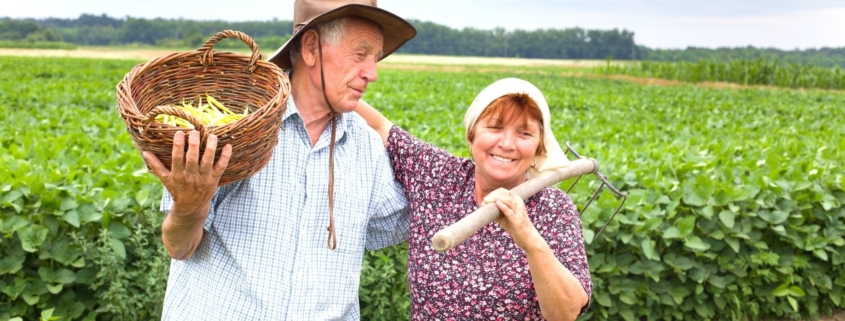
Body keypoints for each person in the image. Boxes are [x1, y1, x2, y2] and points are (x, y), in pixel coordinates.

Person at [141, 0, 417, 319]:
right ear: (311, 48)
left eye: (375, 58)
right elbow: (179, 245)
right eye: (360, 53)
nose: (372, 73)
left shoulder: (366, 146)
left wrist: (465, 185)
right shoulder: (234, 127)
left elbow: (407, 220)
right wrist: (190, 206)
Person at [355, 78, 592, 320]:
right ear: (471, 135)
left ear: (538, 148)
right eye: (495, 127)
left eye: (524, 133)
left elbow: (566, 313)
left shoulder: (553, 208)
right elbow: (379, 126)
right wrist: (332, 84)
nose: (507, 144)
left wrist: (530, 240)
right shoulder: (437, 177)